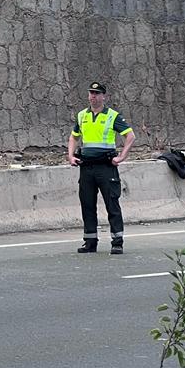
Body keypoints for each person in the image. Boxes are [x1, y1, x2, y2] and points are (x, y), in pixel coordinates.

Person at [67, 81, 135, 255]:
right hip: (87, 167)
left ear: (104, 96)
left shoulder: (112, 116)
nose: (93, 96)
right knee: (87, 205)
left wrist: (122, 157)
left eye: (97, 94)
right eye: (91, 93)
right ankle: (90, 242)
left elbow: (130, 136)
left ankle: (117, 241)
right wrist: (71, 155)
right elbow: (74, 137)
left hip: (106, 167)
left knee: (112, 203)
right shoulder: (82, 115)